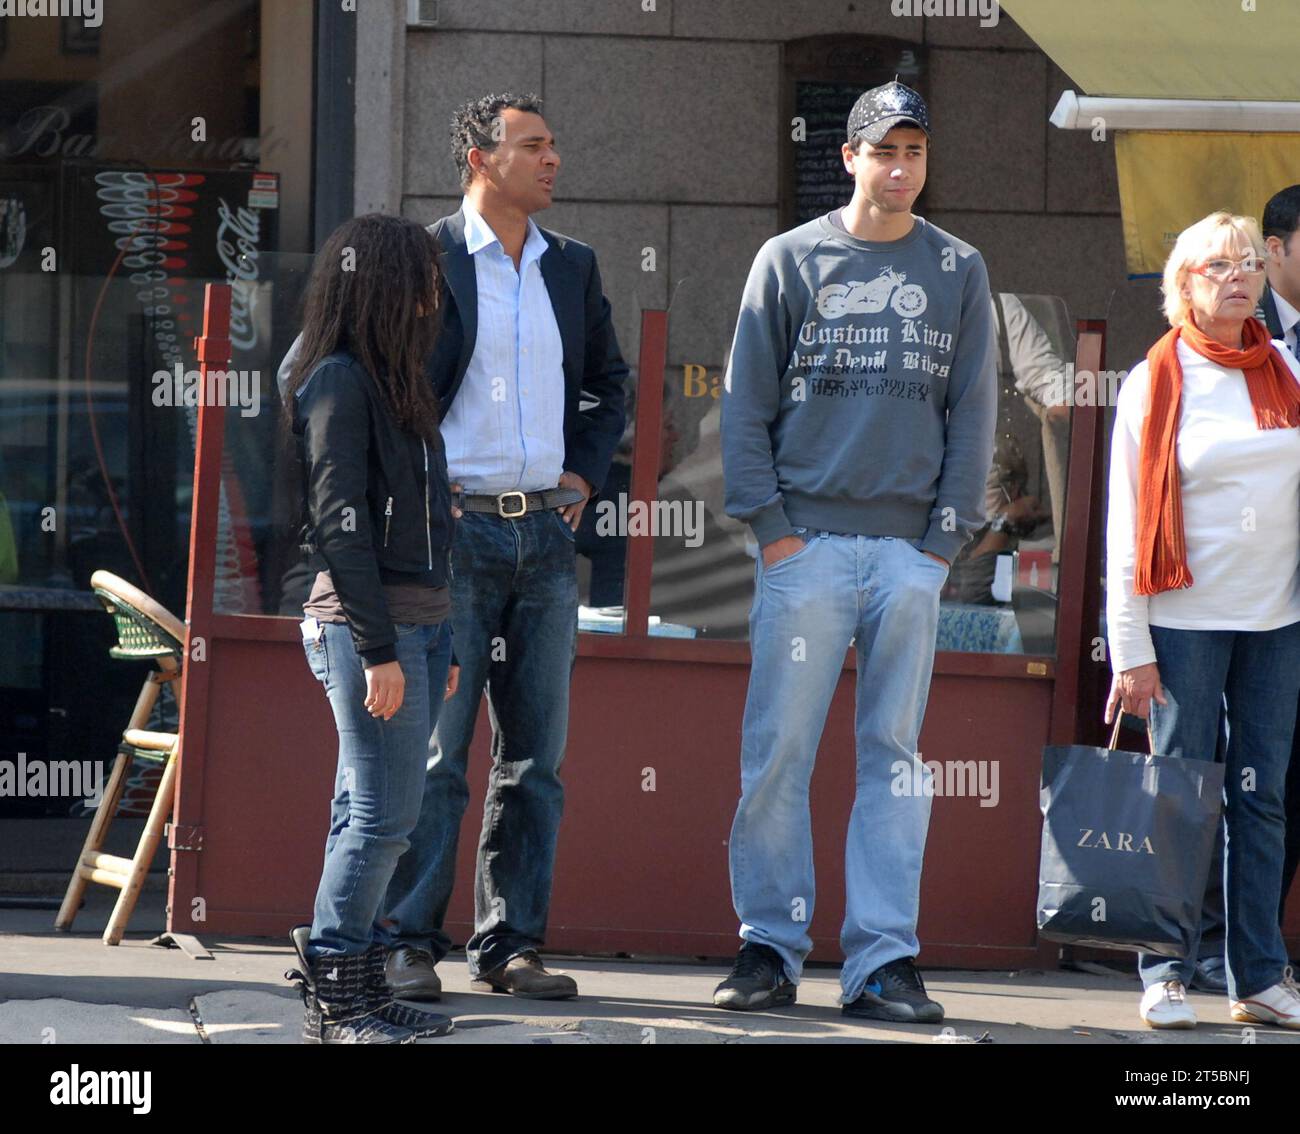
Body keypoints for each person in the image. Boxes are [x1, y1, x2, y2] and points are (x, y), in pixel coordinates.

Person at [713, 80, 996, 1022]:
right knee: (779, 755)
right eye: (884, 150)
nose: (900, 167)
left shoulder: (959, 268)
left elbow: (974, 414)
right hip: (808, 553)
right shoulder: (789, 260)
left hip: (909, 558)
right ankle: (769, 947)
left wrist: (939, 546)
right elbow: (744, 404)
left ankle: (882, 962)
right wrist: (772, 531)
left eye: (914, 151)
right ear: (849, 158)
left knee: (895, 759)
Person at [376, 93, 627, 1001]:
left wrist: (584, 478)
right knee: (440, 755)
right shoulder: (426, 259)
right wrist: (417, 485)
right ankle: (407, 941)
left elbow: (608, 381)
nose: (553, 160)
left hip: (546, 539)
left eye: (554, 144)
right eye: (533, 146)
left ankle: (511, 944)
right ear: (480, 160)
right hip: (453, 534)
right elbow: (383, 383)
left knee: (536, 757)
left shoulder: (573, 266)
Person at [1105, 210, 1300, 1030]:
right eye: (1219, 264)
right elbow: (1124, 521)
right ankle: (1166, 973)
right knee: (1183, 796)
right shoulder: (1157, 378)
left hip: (1277, 620)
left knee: (1261, 801)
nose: (1239, 276)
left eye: (1249, 262)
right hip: (1182, 621)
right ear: (1183, 281)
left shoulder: (1289, 368)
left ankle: (1257, 975)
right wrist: (1129, 645)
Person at [283, 214, 459, 1044]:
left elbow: (433, 528)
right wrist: (383, 650)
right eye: (422, 277)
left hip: (414, 631)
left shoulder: (400, 382)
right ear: (385, 285)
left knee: (366, 810)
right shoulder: (338, 383)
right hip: (364, 633)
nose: (435, 293)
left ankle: (353, 983)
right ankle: (338, 993)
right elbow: (339, 525)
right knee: (388, 818)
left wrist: (443, 640)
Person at [1261, 185, 1300, 927]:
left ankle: (1258, 949)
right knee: (1244, 774)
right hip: (1239, 598)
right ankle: (1193, 942)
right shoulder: (1225, 333)